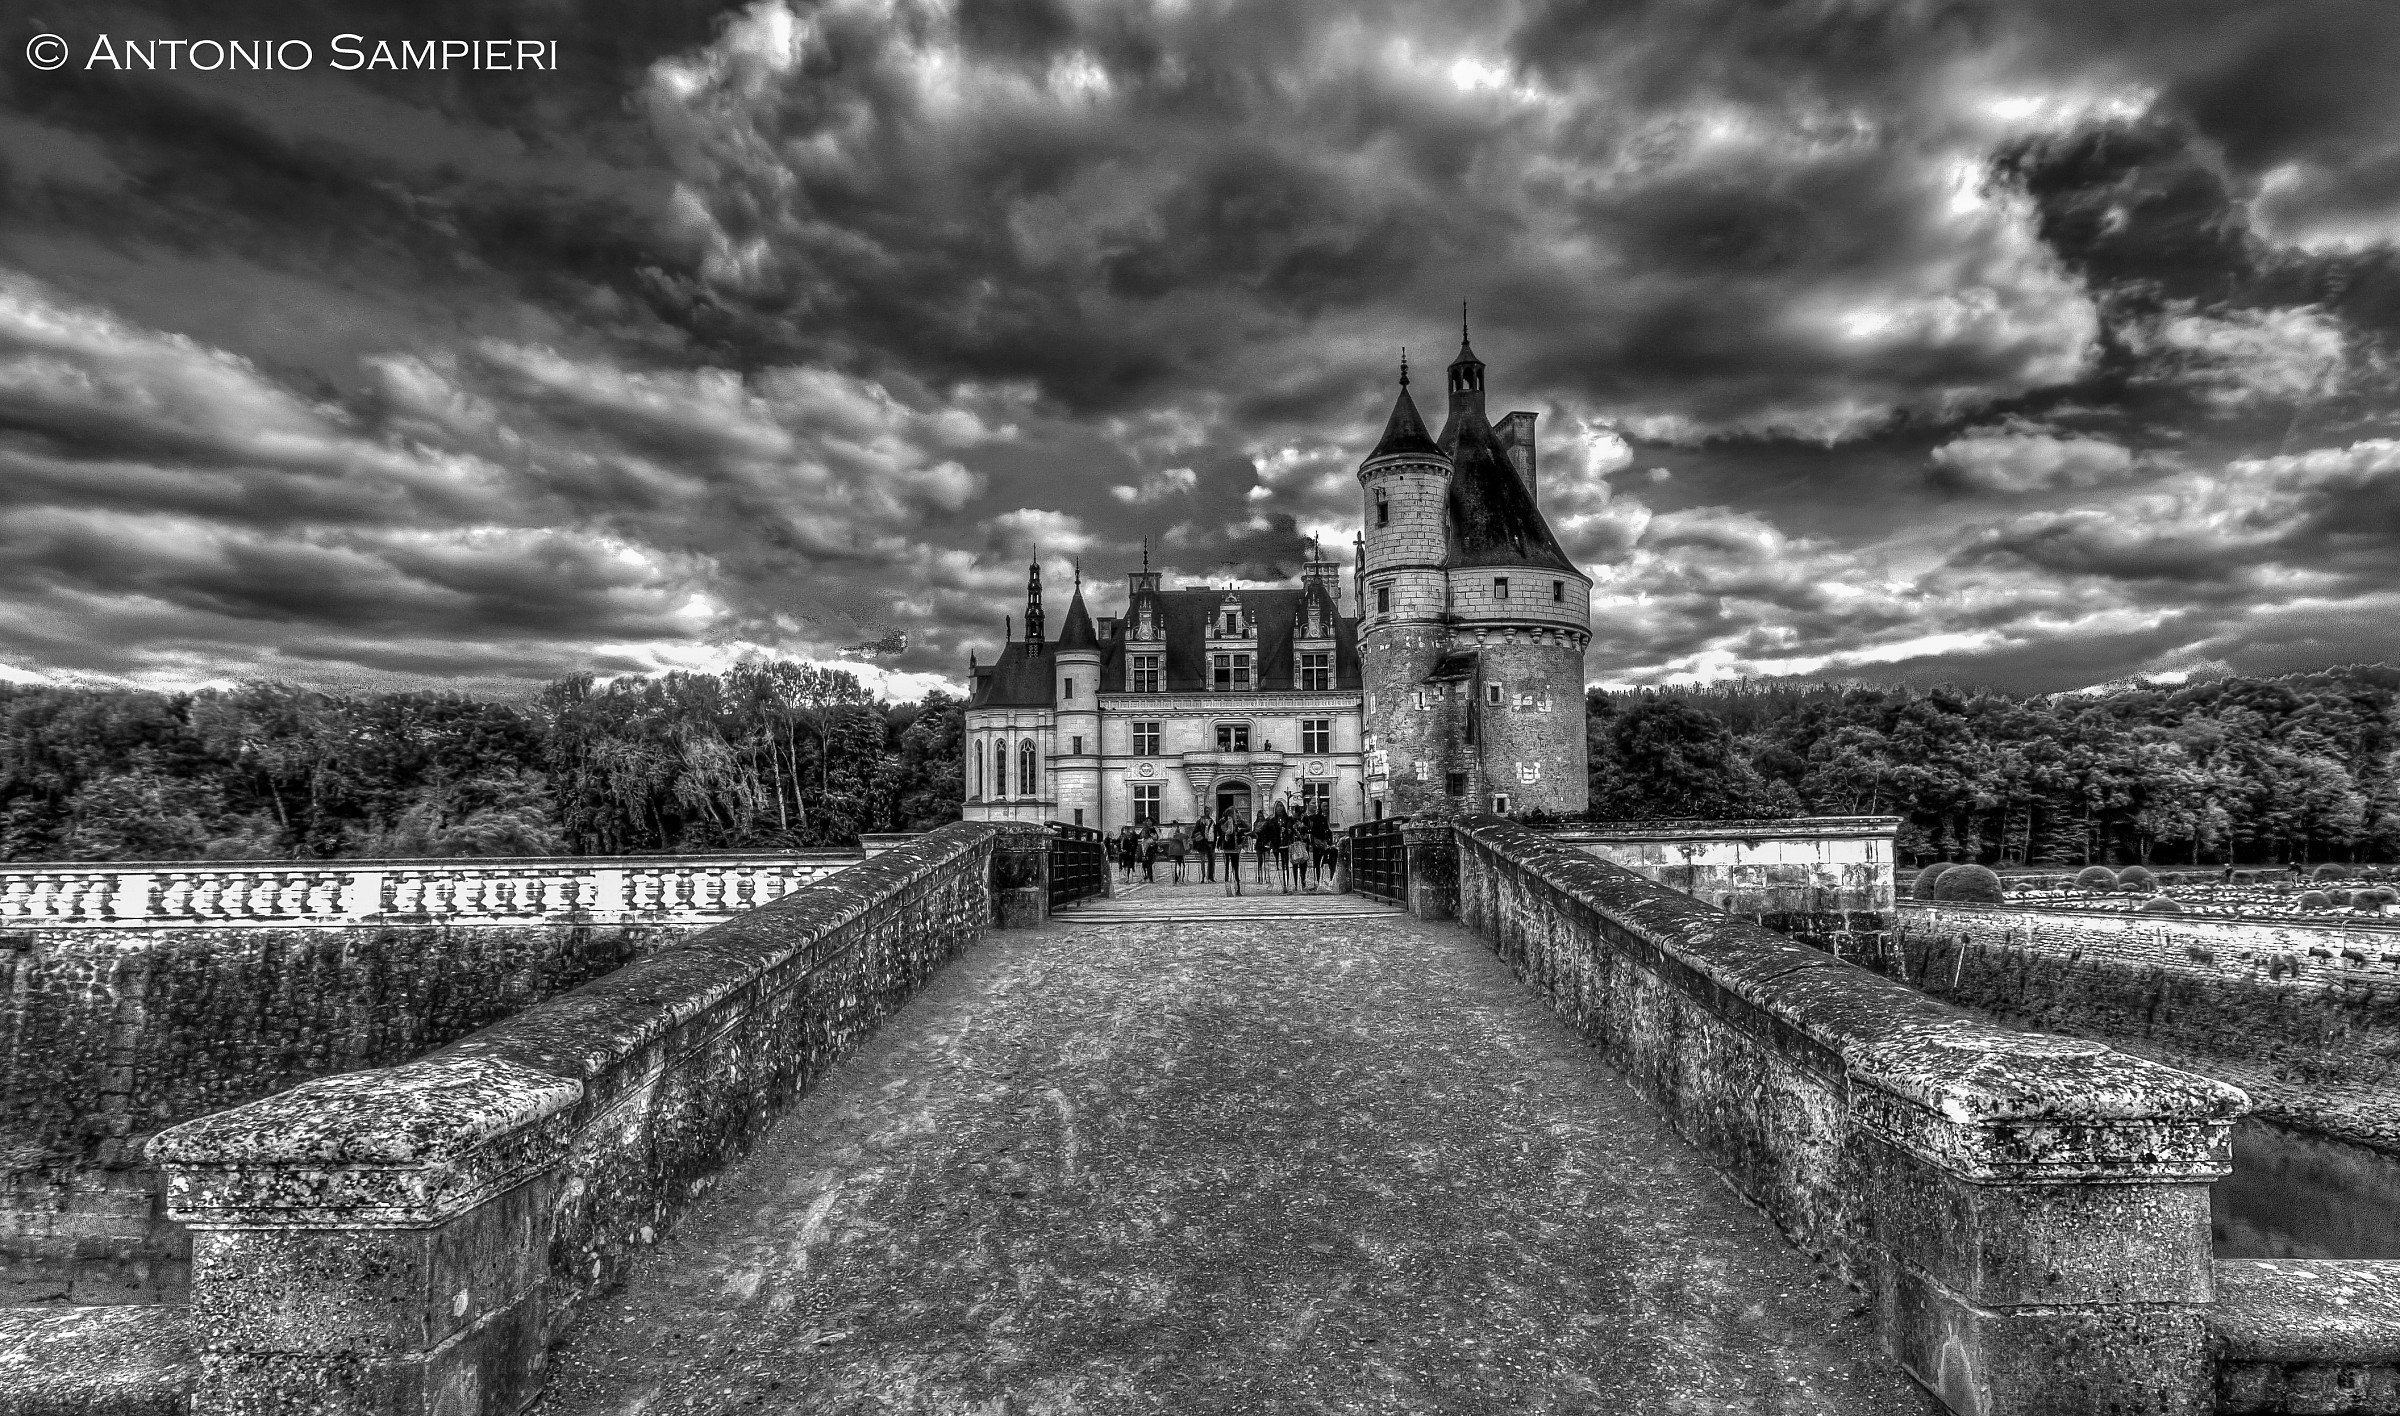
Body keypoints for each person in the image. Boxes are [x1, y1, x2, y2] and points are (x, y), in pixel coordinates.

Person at [1194, 808, 1216, 883]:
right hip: (1202, 843)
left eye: (1208, 811)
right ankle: (1203, 877)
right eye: (1206, 811)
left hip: (1210, 843)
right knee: (1202, 861)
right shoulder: (1200, 821)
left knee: (1211, 860)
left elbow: (1214, 832)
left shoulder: (1212, 821)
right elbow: (1195, 832)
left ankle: (1210, 877)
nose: (1207, 813)